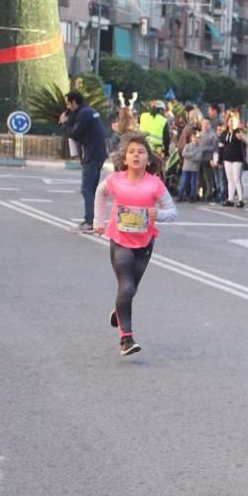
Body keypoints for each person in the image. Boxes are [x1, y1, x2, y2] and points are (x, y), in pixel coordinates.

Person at [93, 135, 177, 355]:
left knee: (131, 288)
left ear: (148, 159)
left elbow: (173, 212)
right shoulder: (115, 180)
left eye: (141, 151)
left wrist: (158, 214)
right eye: (131, 152)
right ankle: (126, 339)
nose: (136, 155)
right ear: (125, 158)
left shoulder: (155, 184)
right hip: (120, 239)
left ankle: (119, 310)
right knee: (127, 286)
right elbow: (100, 193)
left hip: (145, 242)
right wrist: (98, 221)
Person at [60, 90, 109, 233]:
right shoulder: (89, 111)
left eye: (69, 104)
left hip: (92, 155)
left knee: (87, 189)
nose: (68, 107)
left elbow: (74, 133)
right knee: (93, 190)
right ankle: (93, 220)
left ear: (74, 102)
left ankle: (89, 222)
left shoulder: (84, 114)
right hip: (98, 153)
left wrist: (65, 123)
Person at [222, 122, 247, 208]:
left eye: (233, 121)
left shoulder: (238, 131)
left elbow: (243, 138)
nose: (231, 123)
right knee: (230, 179)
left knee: (237, 178)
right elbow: (222, 144)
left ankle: (240, 199)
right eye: (229, 121)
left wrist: (241, 132)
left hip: (237, 158)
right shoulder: (225, 133)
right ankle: (230, 199)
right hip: (227, 157)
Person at [178, 130, 203, 202]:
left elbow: (198, 158)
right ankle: (180, 196)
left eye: (197, 138)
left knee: (193, 183)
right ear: (191, 138)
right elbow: (184, 154)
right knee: (183, 182)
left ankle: (192, 197)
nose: (195, 139)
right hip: (186, 167)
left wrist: (189, 156)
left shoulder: (199, 148)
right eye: (194, 137)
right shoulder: (187, 146)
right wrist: (192, 154)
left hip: (194, 168)